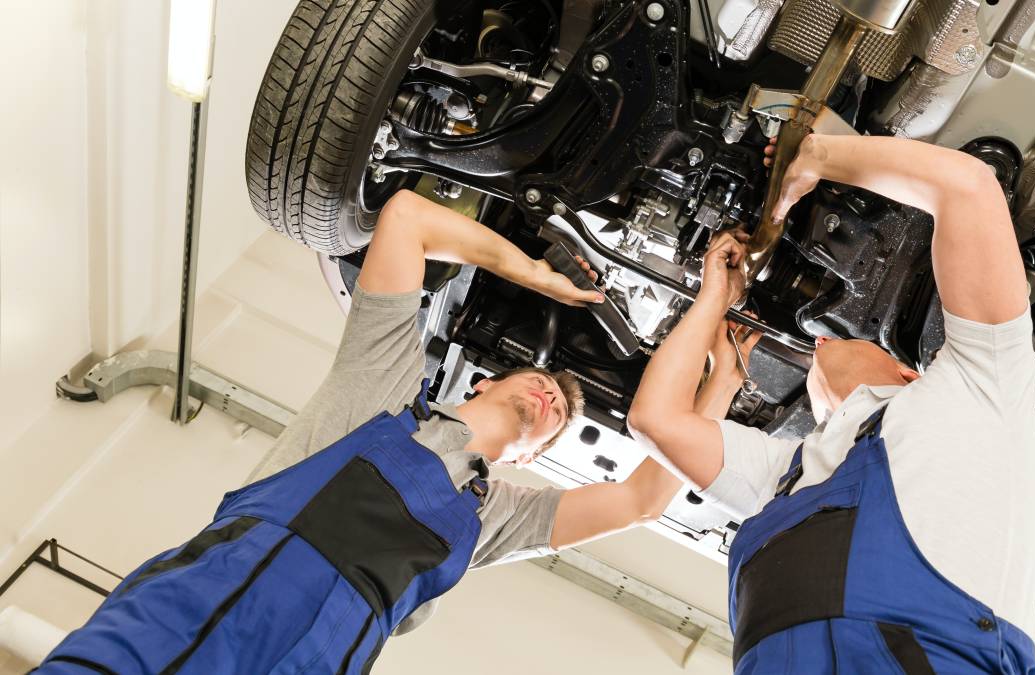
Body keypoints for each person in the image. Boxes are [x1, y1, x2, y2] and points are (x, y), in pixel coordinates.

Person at [37, 189, 716, 674]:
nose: (550, 395)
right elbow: (407, 219)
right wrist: (529, 269)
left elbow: (641, 499)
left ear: (535, 455)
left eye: (561, 415)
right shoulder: (383, 386)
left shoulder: (497, 518)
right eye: (537, 381)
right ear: (480, 381)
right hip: (192, 605)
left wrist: (724, 370)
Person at [629, 133, 1035, 673]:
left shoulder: (784, 479)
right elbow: (968, 187)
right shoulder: (981, 384)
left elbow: (654, 420)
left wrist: (817, 156)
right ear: (906, 371)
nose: (817, 340)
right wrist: (817, 156)